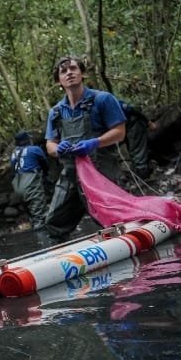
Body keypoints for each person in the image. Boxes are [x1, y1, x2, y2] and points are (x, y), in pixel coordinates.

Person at [44, 56, 127, 241]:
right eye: (63, 71)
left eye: (73, 68)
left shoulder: (103, 99)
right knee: (54, 223)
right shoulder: (56, 112)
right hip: (72, 175)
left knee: (112, 221)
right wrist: (58, 149)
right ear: (58, 81)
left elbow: (120, 132)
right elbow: (50, 144)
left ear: (83, 73)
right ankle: (63, 262)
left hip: (101, 173)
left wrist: (94, 142)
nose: (69, 73)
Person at [10, 130, 49, 230]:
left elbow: (13, 170)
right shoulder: (34, 149)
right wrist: (45, 176)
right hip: (30, 183)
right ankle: (46, 240)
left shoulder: (14, 153)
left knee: (32, 215)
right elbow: (45, 164)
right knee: (40, 218)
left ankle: (36, 235)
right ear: (27, 139)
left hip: (18, 186)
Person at [118, 100, 157, 179]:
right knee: (132, 150)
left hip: (133, 122)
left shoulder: (106, 100)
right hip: (121, 126)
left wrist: (148, 122)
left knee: (137, 150)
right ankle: (140, 173)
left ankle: (143, 176)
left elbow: (131, 110)